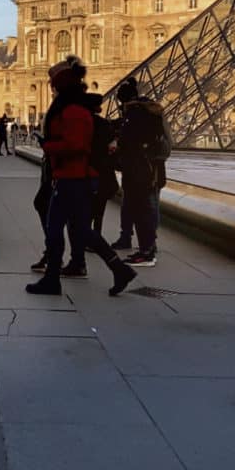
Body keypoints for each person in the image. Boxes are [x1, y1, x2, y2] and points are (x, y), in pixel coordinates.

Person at [26, 56, 136, 296]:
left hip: (74, 178)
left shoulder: (74, 112)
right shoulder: (75, 109)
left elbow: (76, 145)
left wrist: (48, 146)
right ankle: (119, 269)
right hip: (74, 177)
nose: (51, 89)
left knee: (56, 227)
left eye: (54, 85)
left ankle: (52, 279)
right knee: (81, 230)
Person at [113, 77, 168, 266]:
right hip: (149, 170)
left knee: (144, 209)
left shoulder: (136, 116)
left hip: (141, 171)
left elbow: (131, 143)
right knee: (144, 208)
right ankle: (147, 246)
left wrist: (119, 148)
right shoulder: (151, 113)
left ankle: (147, 250)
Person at [82, 93, 119, 254]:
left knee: (86, 209)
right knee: (99, 210)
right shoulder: (105, 125)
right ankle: (96, 236)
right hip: (104, 173)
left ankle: (88, 238)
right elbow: (112, 147)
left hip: (88, 172)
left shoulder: (84, 124)